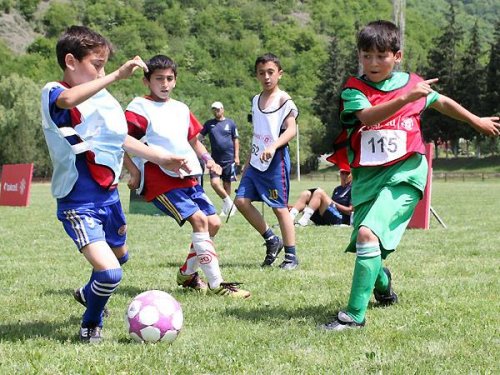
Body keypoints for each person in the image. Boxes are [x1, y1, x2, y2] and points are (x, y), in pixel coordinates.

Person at [321, 20, 500, 331]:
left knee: (367, 236)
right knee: (364, 241)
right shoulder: (354, 89)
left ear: (397, 55)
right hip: (367, 179)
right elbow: (367, 116)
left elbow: (440, 101)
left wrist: (475, 120)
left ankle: (353, 317)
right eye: (366, 56)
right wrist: (407, 98)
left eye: (381, 56)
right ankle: (383, 285)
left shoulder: (412, 83)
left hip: (406, 174)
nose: (373, 63)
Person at [40, 26, 188, 343]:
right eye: (97, 64)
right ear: (70, 61)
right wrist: (116, 76)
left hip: (109, 199)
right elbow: (66, 100)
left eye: (106, 65)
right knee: (110, 273)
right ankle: (91, 322)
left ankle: (87, 293)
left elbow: (118, 139)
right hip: (78, 203)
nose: (102, 71)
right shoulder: (54, 91)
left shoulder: (99, 97)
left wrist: (161, 158)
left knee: (120, 257)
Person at [124, 54, 251, 299]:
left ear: (176, 80)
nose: (165, 84)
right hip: (159, 179)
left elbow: (194, 140)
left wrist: (209, 160)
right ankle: (217, 285)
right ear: (146, 81)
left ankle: (187, 273)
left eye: (169, 78)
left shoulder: (180, 108)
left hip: (189, 176)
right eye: (158, 78)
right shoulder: (138, 107)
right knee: (200, 222)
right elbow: (121, 141)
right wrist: (134, 169)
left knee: (213, 223)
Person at [234, 53, 299, 270]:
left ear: (279, 74)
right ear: (256, 75)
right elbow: (257, 132)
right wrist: (247, 160)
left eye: (271, 72)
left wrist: (273, 146)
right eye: (262, 73)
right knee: (241, 201)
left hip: (275, 161)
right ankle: (272, 239)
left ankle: (291, 256)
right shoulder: (255, 99)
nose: (266, 77)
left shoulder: (284, 100)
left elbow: (291, 130)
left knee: (279, 208)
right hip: (255, 162)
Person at [199, 101, 240, 217]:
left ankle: (226, 209)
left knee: (227, 185)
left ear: (222, 109)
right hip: (214, 161)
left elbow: (236, 140)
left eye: (218, 109)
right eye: (213, 109)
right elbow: (199, 138)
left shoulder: (230, 123)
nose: (216, 111)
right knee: (215, 183)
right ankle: (231, 204)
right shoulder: (209, 124)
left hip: (229, 159)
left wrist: (236, 156)